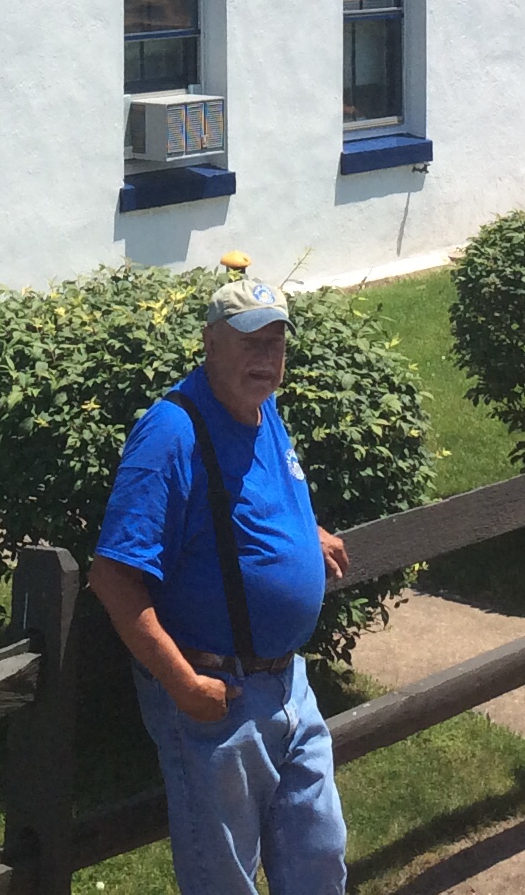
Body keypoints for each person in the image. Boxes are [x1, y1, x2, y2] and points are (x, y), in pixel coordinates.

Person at [90, 270, 352, 895]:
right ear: (210, 343)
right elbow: (113, 577)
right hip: (219, 698)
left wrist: (304, 532)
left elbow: (255, 492)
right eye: (249, 341)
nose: (265, 356)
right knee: (225, 882)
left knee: (320, 860)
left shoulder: (262, 408)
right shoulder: (171, 432)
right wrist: (184, 686)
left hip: (289, 685)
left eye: (275, 341)